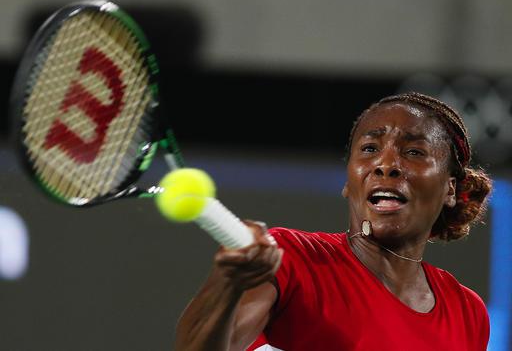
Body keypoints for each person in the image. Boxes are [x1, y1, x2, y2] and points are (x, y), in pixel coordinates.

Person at [175, 92, 492, 351]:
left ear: (450, 187)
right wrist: (229, 284)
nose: (385, 164)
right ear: (348, 181)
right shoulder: (291, 258)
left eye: (413, 151)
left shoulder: (467, 312)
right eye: (370, 149)